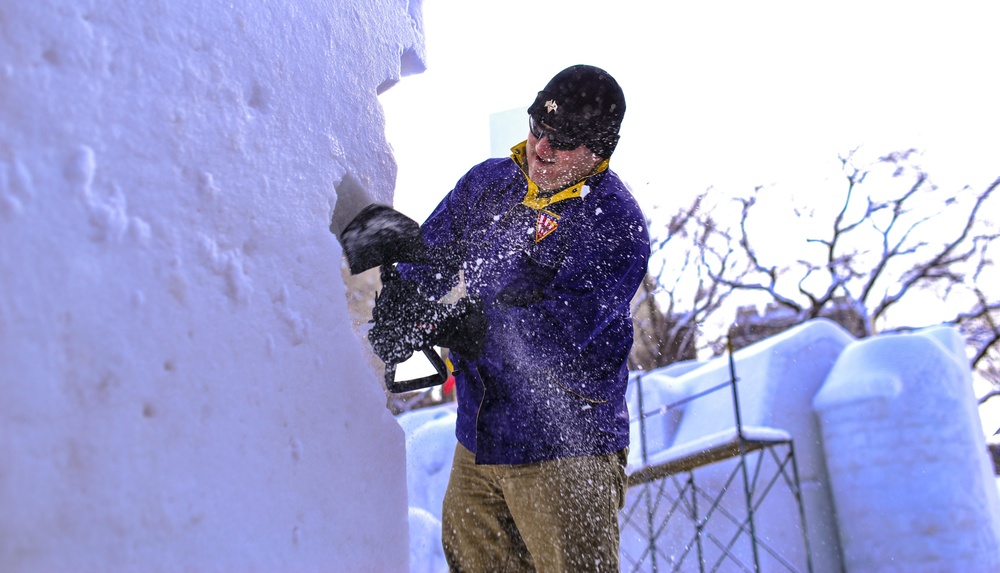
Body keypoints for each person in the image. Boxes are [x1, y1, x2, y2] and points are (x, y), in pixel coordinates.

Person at [369, 64, 650, 572]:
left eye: (561, 141)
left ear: (599, 151)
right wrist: (403, 296)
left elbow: (554, 337)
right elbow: (430, 254)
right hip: (479, 441)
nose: (541, 146)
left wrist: (462, 325)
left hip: (564, 452)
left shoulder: (615, 225)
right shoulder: (489, 183)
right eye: (537, 128)